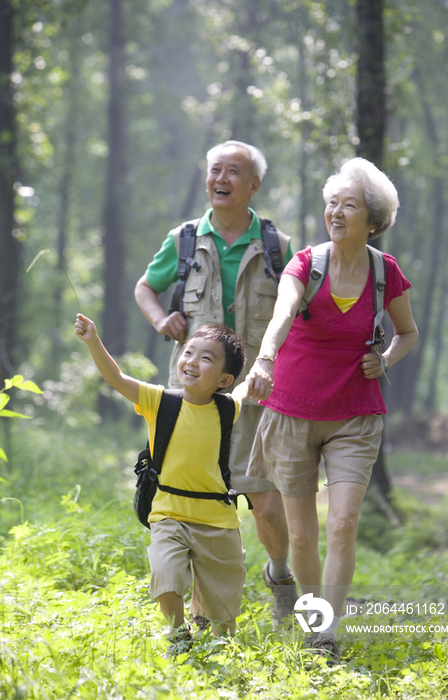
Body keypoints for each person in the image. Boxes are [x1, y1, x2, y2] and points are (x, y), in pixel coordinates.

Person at [246, 157, 419, 663]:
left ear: (374, 219)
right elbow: (281, 314)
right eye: (331, 203)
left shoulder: (385, 273)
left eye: (349, 205)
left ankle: (325, 637)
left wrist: (383, 359)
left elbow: (408, 333)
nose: (336, 212)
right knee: (302, 534)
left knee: (341, 524)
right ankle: (310, 615)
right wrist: (264, 359)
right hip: (292, 412)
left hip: (355, 416)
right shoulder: (306, 264)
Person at [134, 140, 298, 628]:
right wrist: (161, 318)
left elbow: (297, 314)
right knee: (192, 503)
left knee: (265, 501)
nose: (220, 178)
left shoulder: (277, 246)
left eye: (233, 171)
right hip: (193, 402)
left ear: (253, 185)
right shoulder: (185, 238)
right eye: (214, 170)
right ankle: (200, 613)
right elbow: (146, 286)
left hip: (256, 394)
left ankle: (280, 573)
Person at [75, 313, 251, 657]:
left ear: (224, 379)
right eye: (189, 352)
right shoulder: (160, 401)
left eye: (206, 358)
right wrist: (93, 339)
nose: (192, 362)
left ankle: (211, 634)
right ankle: (177, 633)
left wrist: (258, 375)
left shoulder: (226, 408)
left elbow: (244, 391)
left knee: (224, 619)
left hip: (218, 521)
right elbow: (117, 378)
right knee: (165, 574)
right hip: (169, 514)